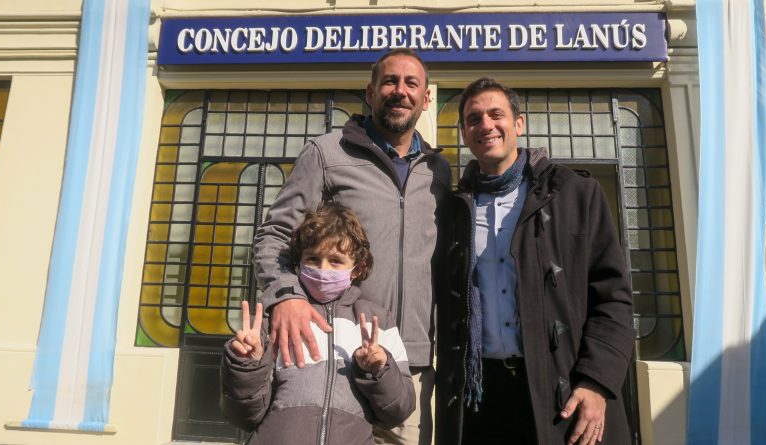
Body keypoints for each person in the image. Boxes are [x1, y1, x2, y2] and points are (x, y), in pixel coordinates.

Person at [253, 48, 451, 445]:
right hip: (332, 358)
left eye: (411, 83)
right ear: (370, 92)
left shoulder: (438, 171)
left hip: (406, 366)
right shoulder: (327, 153)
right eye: (389, 81)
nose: (400, 91)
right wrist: (287, 296)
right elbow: (275, 234)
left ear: (426, 97)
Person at [435, 78, 635, 445]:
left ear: (519, 124)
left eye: (496, 115)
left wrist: (597, 382)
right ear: (464, 133)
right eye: (474, 119)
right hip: (480, 398)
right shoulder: (452, 210)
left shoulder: (576, 194)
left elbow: (613, 300)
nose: (486, 125)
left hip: (559, 390)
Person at [221, 202, 415, 444]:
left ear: (358, 268)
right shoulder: (274, 319)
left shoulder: (378, 321)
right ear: (299, 263)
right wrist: (247, 366)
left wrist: (379, 370)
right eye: (313, 258)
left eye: (335, 261)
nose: (323, 269)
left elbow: (398, 410)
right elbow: (243, 415)